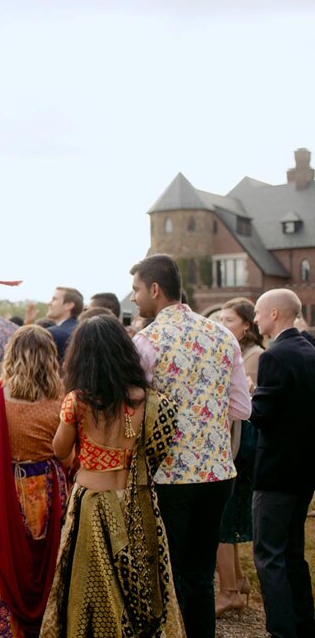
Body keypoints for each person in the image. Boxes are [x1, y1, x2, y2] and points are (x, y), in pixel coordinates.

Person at [129, 254, 250, 638]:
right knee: (199, 573)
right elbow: (241, 408)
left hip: (170, 473)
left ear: (154, 289)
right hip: (218, 471)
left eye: (135, 290)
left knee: (170, 570)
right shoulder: (222, 334)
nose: (133, 299)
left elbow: (133, 404)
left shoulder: (146, 341)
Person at [41, 316, 183, 636]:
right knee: (138, 586)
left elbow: (60, 450)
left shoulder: (78, 401)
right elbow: (156, 452)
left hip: (91, 504)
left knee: (92, 589)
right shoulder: (150, 400)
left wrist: (84, 456)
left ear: (81, 355)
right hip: (139, 505)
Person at [0, 326, 66, 637]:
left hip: (1, 487)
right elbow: (69, 453)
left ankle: (3, 627)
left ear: (11, 357)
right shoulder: (62, 400)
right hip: (45, 492)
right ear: (51, 359)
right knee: (43, 561)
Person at [250, 288, 315, 637]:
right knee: (292, 552)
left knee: (269, 553)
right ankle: (304, 623)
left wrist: (248, 395)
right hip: (305, 470)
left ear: (275, 314)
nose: (256, 319)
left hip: (276, 471)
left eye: (259, 313)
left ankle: (281, 630)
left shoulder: (274, 356)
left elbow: (263, 415)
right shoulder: (310, 350)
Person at [214, 297, 263, 618]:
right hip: (234, 441)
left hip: (239, 444)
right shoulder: (233, 350)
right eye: (219, 319)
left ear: (247, 326)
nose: (222, 325)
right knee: (225, 519)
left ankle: (229, 591)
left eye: (229, 320)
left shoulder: (255, 356)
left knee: (223, 521)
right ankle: (238, 580)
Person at [45, 287, 83, 361]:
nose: (49, 303)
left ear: (69, 305)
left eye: (54, 299)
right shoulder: (83, 330)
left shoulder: (52, 334)